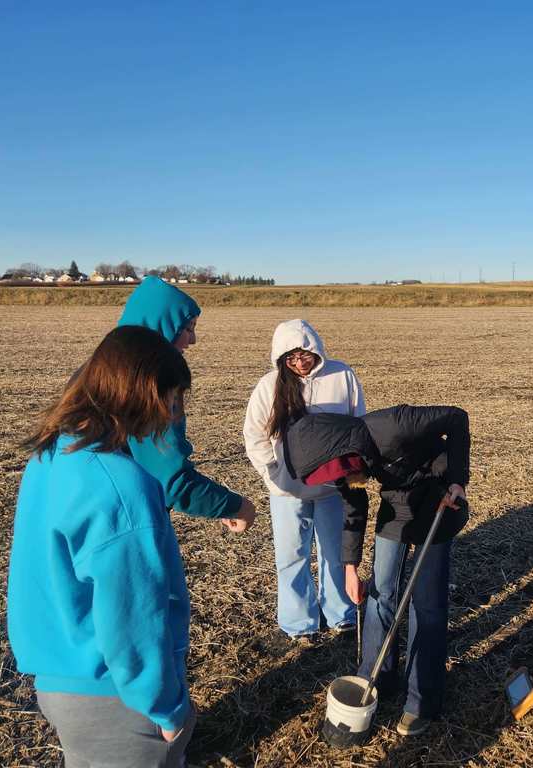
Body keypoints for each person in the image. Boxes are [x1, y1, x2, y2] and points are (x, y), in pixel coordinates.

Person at [7, 325, 197, 767]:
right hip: (115, 696)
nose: (174, 415)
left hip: (57, 677)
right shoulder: (122, 488)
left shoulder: (55, 452)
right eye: (172, 399)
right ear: (143, 396)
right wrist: (165, 707)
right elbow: (132, 618)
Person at [284, 404, 470, 737]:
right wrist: (350, 568)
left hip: (438, 500)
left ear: (337, 451)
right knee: (380, 595)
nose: (336, 481)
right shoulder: (343, 463)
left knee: (424, 604)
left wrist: (458, 480)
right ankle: (374, 679)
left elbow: (457, 418)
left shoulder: (393, 425)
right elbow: (354, 508)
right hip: (397, 507)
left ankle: (421, 700)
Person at [243, 319, 364, 639]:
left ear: (316, 350)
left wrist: (352, 471)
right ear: (281, 359)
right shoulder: (269, 386)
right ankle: (299, 623)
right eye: (291, 358)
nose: (299, 363)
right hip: (287, 492)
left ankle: (341, 613)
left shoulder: (342, 376)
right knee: (291, 556)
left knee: (335, 552)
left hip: (331, 488)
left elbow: (358, 424)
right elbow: (254, 435)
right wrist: (273, 473)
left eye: (305, 355)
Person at [118, 275, 255, 532]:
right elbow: (172, 482)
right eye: (189, 329)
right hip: (123, 524)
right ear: (164, 327)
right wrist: (235, 506)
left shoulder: (99, 372)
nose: (193, 341)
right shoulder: (151, 384)